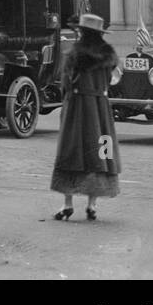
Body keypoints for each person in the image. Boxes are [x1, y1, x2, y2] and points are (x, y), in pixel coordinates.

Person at [51, 13, 121, 220]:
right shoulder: (109, 55)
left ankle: (67, 204)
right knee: (100, 152)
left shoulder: (74, 54)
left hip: (77, 107)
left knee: (71, 151)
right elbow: (110, 80)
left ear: (82, 32)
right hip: (100, 109)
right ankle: (92, 205)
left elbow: (66, 82)